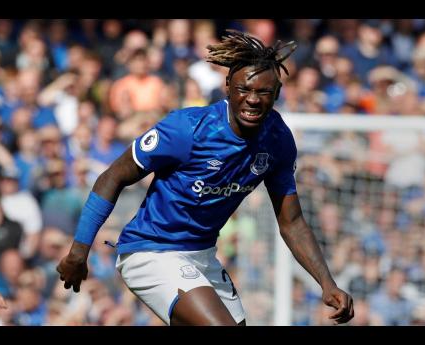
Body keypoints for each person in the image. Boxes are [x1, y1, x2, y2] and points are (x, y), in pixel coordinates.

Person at [57, 30, 354, 326]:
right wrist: (78, 253)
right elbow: (112, 177)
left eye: (263, 93)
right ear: (228, 87)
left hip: (203, 256)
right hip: (150, 251)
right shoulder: (187, 130)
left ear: (276, 94)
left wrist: (327, 283)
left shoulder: (278, 140)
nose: (252, 100)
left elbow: (292, 222)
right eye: (244, 89)